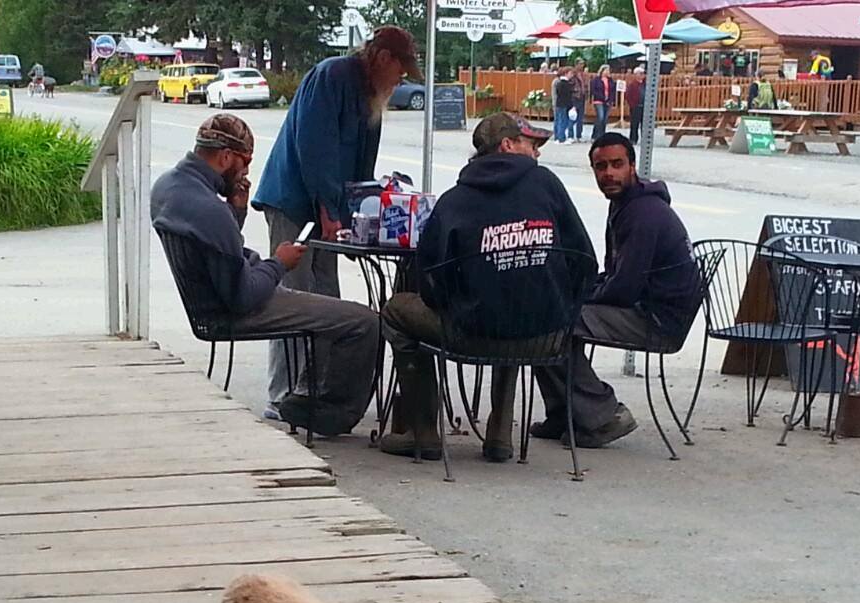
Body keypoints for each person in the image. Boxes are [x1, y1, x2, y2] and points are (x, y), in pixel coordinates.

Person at [378, 113, 596, 463]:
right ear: (508, 145)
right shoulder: (547, 184)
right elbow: (585, 258)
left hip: (472, 334)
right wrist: (563, 307)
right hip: (548, 335)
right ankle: (499, 435)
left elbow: (428, 277)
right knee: (513, 304)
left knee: (396, 311)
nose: (537, 154)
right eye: (531, 144)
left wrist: (458, 303)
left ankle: (425, 432)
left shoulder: (454, 200)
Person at [151, 115, 380, 436]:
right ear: (226, 157)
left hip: (212, 300)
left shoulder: (167, 187)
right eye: (245, 162)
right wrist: (279, 264)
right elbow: (243, 296)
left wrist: (237, 212)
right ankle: (326, 412)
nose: (246, 172)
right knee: (362, 321)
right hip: (236, 309)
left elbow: (216, 251)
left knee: (327, 311)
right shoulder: (208, 209)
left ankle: (304, 397)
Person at [251, 26, 417, 420]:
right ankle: (283, 392)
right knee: (294, 297)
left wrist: (360, 213)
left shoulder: (371, 94)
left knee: (327, 299)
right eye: (400, 69)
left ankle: (316, 390)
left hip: (331, 207)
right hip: (294, 202)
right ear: (382, 59)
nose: (402, 79)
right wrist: (328, 207)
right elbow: (315, 145)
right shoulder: (333, 75)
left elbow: (363, 166)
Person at [533, 133, 701, 449]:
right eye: (600, 167)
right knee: (544, 315)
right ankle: (565, 413)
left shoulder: (644, 214)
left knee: (549, 322)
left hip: (658, 320)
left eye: (617, 165)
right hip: (643, 307)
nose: (609, 173)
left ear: (632, 166)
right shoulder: (625, 204)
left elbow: (623, 289)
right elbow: (614, 276)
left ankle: (604, 416)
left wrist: (576, 298)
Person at [551, 66, 573, 143]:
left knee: (560, 120)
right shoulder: (564, 83)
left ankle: (558, 137)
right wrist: (571, 105)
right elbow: (566, 96)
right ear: (566, 74)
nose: (572, 75)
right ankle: (561, 138)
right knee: (562, 121)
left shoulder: (559, 83)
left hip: (559, 104)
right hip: (563, 104)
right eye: (570, 73)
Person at [590, 65, 612, 140]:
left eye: (608, 70)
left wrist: (610, 100)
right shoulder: (596, 80)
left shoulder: (610, 80)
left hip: (608, 101)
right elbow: (594, 91)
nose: (607, 72)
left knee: (605, 119)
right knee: (600, 117)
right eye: (606, 70)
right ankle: (596, 135)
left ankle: (602, 134)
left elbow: (612, 91)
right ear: (602, 71)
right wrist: (602, 97)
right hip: (598, 100)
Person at [624, 66, 645, 144]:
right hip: (636, 107)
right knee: (634, 124)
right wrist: (632, 105)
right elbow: (628, 96)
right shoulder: (632, 84)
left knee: (645, 124)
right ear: (636, 74)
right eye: (641, 73)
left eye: (643, 73)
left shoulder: (645, 84)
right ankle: (633, 139)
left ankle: (645, 139)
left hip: (644, 107)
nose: (642, 75)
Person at [570, 59, 589, 142]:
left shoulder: (584, 74)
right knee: (572, 117)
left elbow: (586, 85)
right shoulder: (573, 74)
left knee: (580, 118)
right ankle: (570, 135)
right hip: (574, 97)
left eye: (583, 64)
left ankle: (579, 135)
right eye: (581, 64)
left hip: (582, 97)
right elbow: (570, 85)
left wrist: (587, 92)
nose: (582, 66)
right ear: (576, 64)